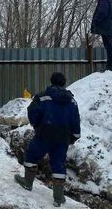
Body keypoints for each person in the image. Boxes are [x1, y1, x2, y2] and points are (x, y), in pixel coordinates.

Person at [14, 72, 80, 207]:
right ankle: (58, 198)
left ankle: (27, 183)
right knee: (59, 164)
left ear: (51, 82)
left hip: (44, 135)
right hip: (62, 138)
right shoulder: (72, 101)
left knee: (31, 155)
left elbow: (32, 112)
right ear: (64, 83)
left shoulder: (42, 97)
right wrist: (73, 137)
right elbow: (76, 120)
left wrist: (37, 125)